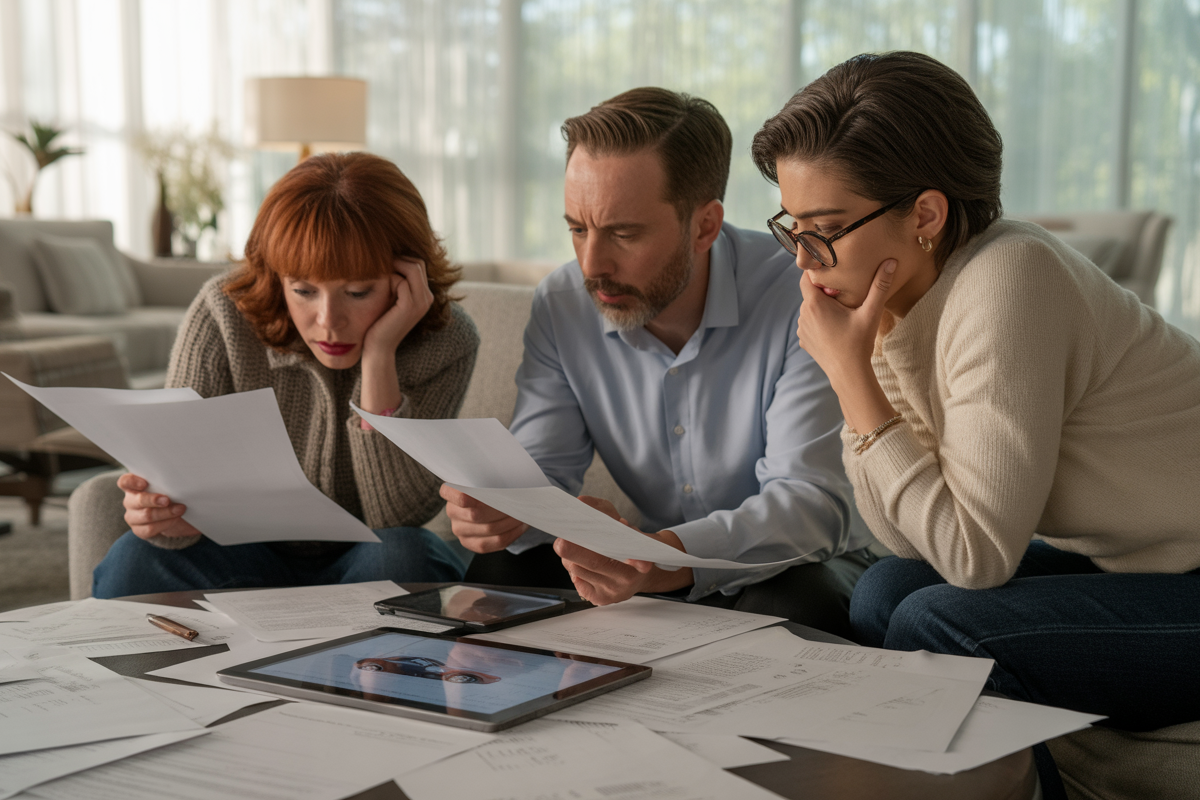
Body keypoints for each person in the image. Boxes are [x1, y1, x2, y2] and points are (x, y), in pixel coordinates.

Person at [750, 50, 1200, 795]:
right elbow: (904, 537)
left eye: (824, 228)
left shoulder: (1011, 277)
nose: (804, 260)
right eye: (792, 227)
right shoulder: (909, 300)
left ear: (925, 215)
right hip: (1147, 563)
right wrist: (870, 356)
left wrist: (851, 375)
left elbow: (974, 558)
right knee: (884, 590)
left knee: (941, 621)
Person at [440, 87, 878, 637]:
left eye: (623, 233)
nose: (592, 264)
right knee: (500, 569)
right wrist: (502, 510)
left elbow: (810, 503)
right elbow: (542, 469)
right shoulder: (561, 304)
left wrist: (660, 557)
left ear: (704, 226)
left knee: (792, 600)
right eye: (577, 228)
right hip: (651, 561)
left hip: (809, 561)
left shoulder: (800, 293)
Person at [93, 152, 478, 597]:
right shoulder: (221, 315)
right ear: (277, 278)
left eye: (357, 291)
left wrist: (379, 358)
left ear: (406, 277)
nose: (328, 320)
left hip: (368, 557)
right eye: (303, 290)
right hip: (241, 557)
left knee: (404, 556)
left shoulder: (446, 339)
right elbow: (172, 506)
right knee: (132, 560)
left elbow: (397, 517)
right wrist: (160, 516)